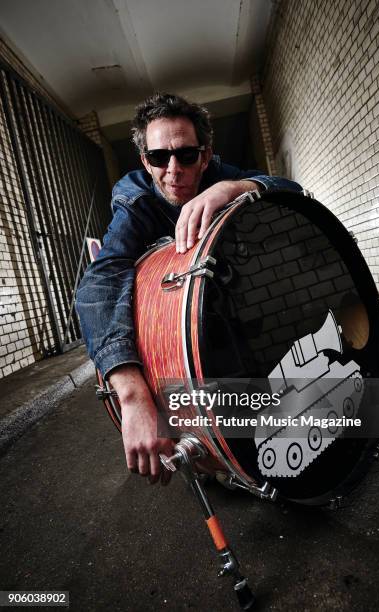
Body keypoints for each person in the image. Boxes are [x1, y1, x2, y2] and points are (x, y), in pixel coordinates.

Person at [76, 92, 302, 485]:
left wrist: (230, 189)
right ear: (145, 160)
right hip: (172, 326)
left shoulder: (217, 174)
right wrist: (131, 393)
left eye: (187, 155)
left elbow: (290, 190)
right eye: (160, 158)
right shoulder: (136, 200)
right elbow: (100, 280)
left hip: (223, 304)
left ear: (206, 153)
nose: (174, 170)